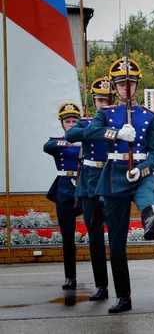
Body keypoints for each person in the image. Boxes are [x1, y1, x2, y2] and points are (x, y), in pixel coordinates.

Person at [84, 57, 154, 313]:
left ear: (137, 85)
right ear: (115, 86)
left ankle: (150, 222)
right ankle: (124, 296)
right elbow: (89, 133)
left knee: (147, 196)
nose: (126, 88)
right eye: (121, 84)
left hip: (140, 172)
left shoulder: (149, 116)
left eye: (130, 83)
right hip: (114, 175)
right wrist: (116, 134)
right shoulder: (106, 113)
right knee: (117, 243)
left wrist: (142, 169)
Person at [65, 77, 115, 302]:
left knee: (115, 236)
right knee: (94, 236)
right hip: (88, 183)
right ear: (93, 101)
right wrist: (96, 130)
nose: (103, 104)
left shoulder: (118, 123)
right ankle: (101, 286)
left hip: (111, 180)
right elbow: (70, 135)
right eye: (99, 100)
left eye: (106, 99)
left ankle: (121, 288)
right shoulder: (86, 122)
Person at [43, 102, 82, 296]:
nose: (72, 124)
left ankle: (102, 281)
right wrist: (66, 142)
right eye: (68, 121)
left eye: (75, 120)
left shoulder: (86, 141)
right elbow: (46, 146)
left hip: (85, 189)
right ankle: (70, 276)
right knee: (68, 237)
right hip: (64, 190)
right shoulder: (57, 141)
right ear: (62, 124)